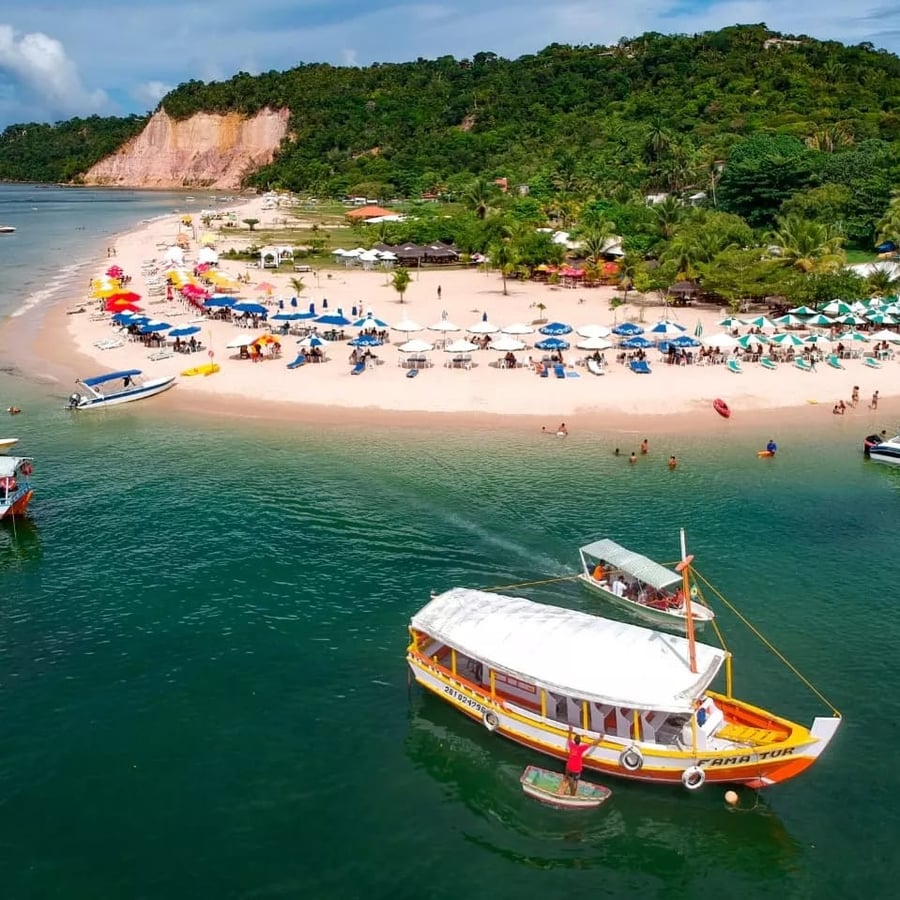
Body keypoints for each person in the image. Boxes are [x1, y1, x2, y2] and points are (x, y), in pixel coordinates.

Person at [564, 726, 603, 795]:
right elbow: (592, 743)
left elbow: (569, 738)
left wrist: (570, 730)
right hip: (577, 769)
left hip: (570, 767)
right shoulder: (581, 748)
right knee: (576, 781)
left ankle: (567, 778)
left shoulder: (571, 745)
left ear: (574, 741)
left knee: (569, 772)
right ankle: (573, 794)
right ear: (580, 742)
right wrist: (600, 738)